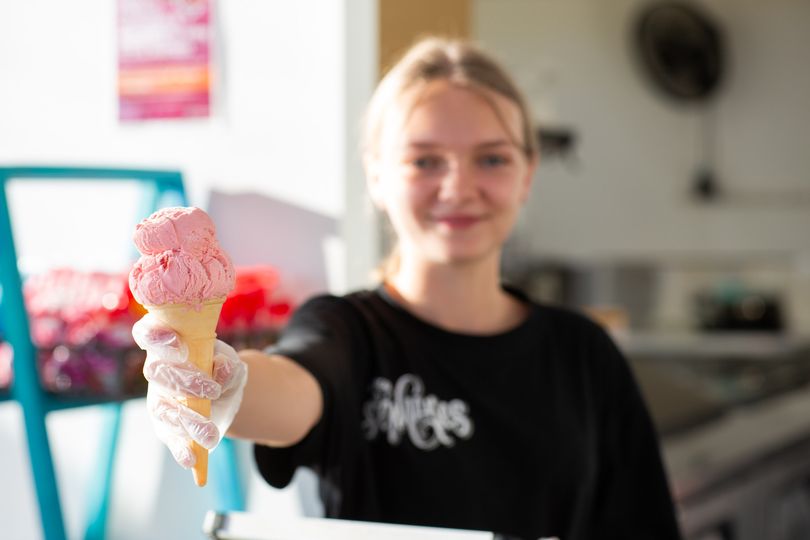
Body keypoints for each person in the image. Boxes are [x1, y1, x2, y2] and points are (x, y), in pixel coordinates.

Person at [134, 37, 682, 540]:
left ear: (527, 173)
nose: (458, 187)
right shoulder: (346, 332)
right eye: (425, 160)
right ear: (377, 176)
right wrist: (224, 383)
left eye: (491, 158)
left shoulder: (584, 354)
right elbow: (295, 387)